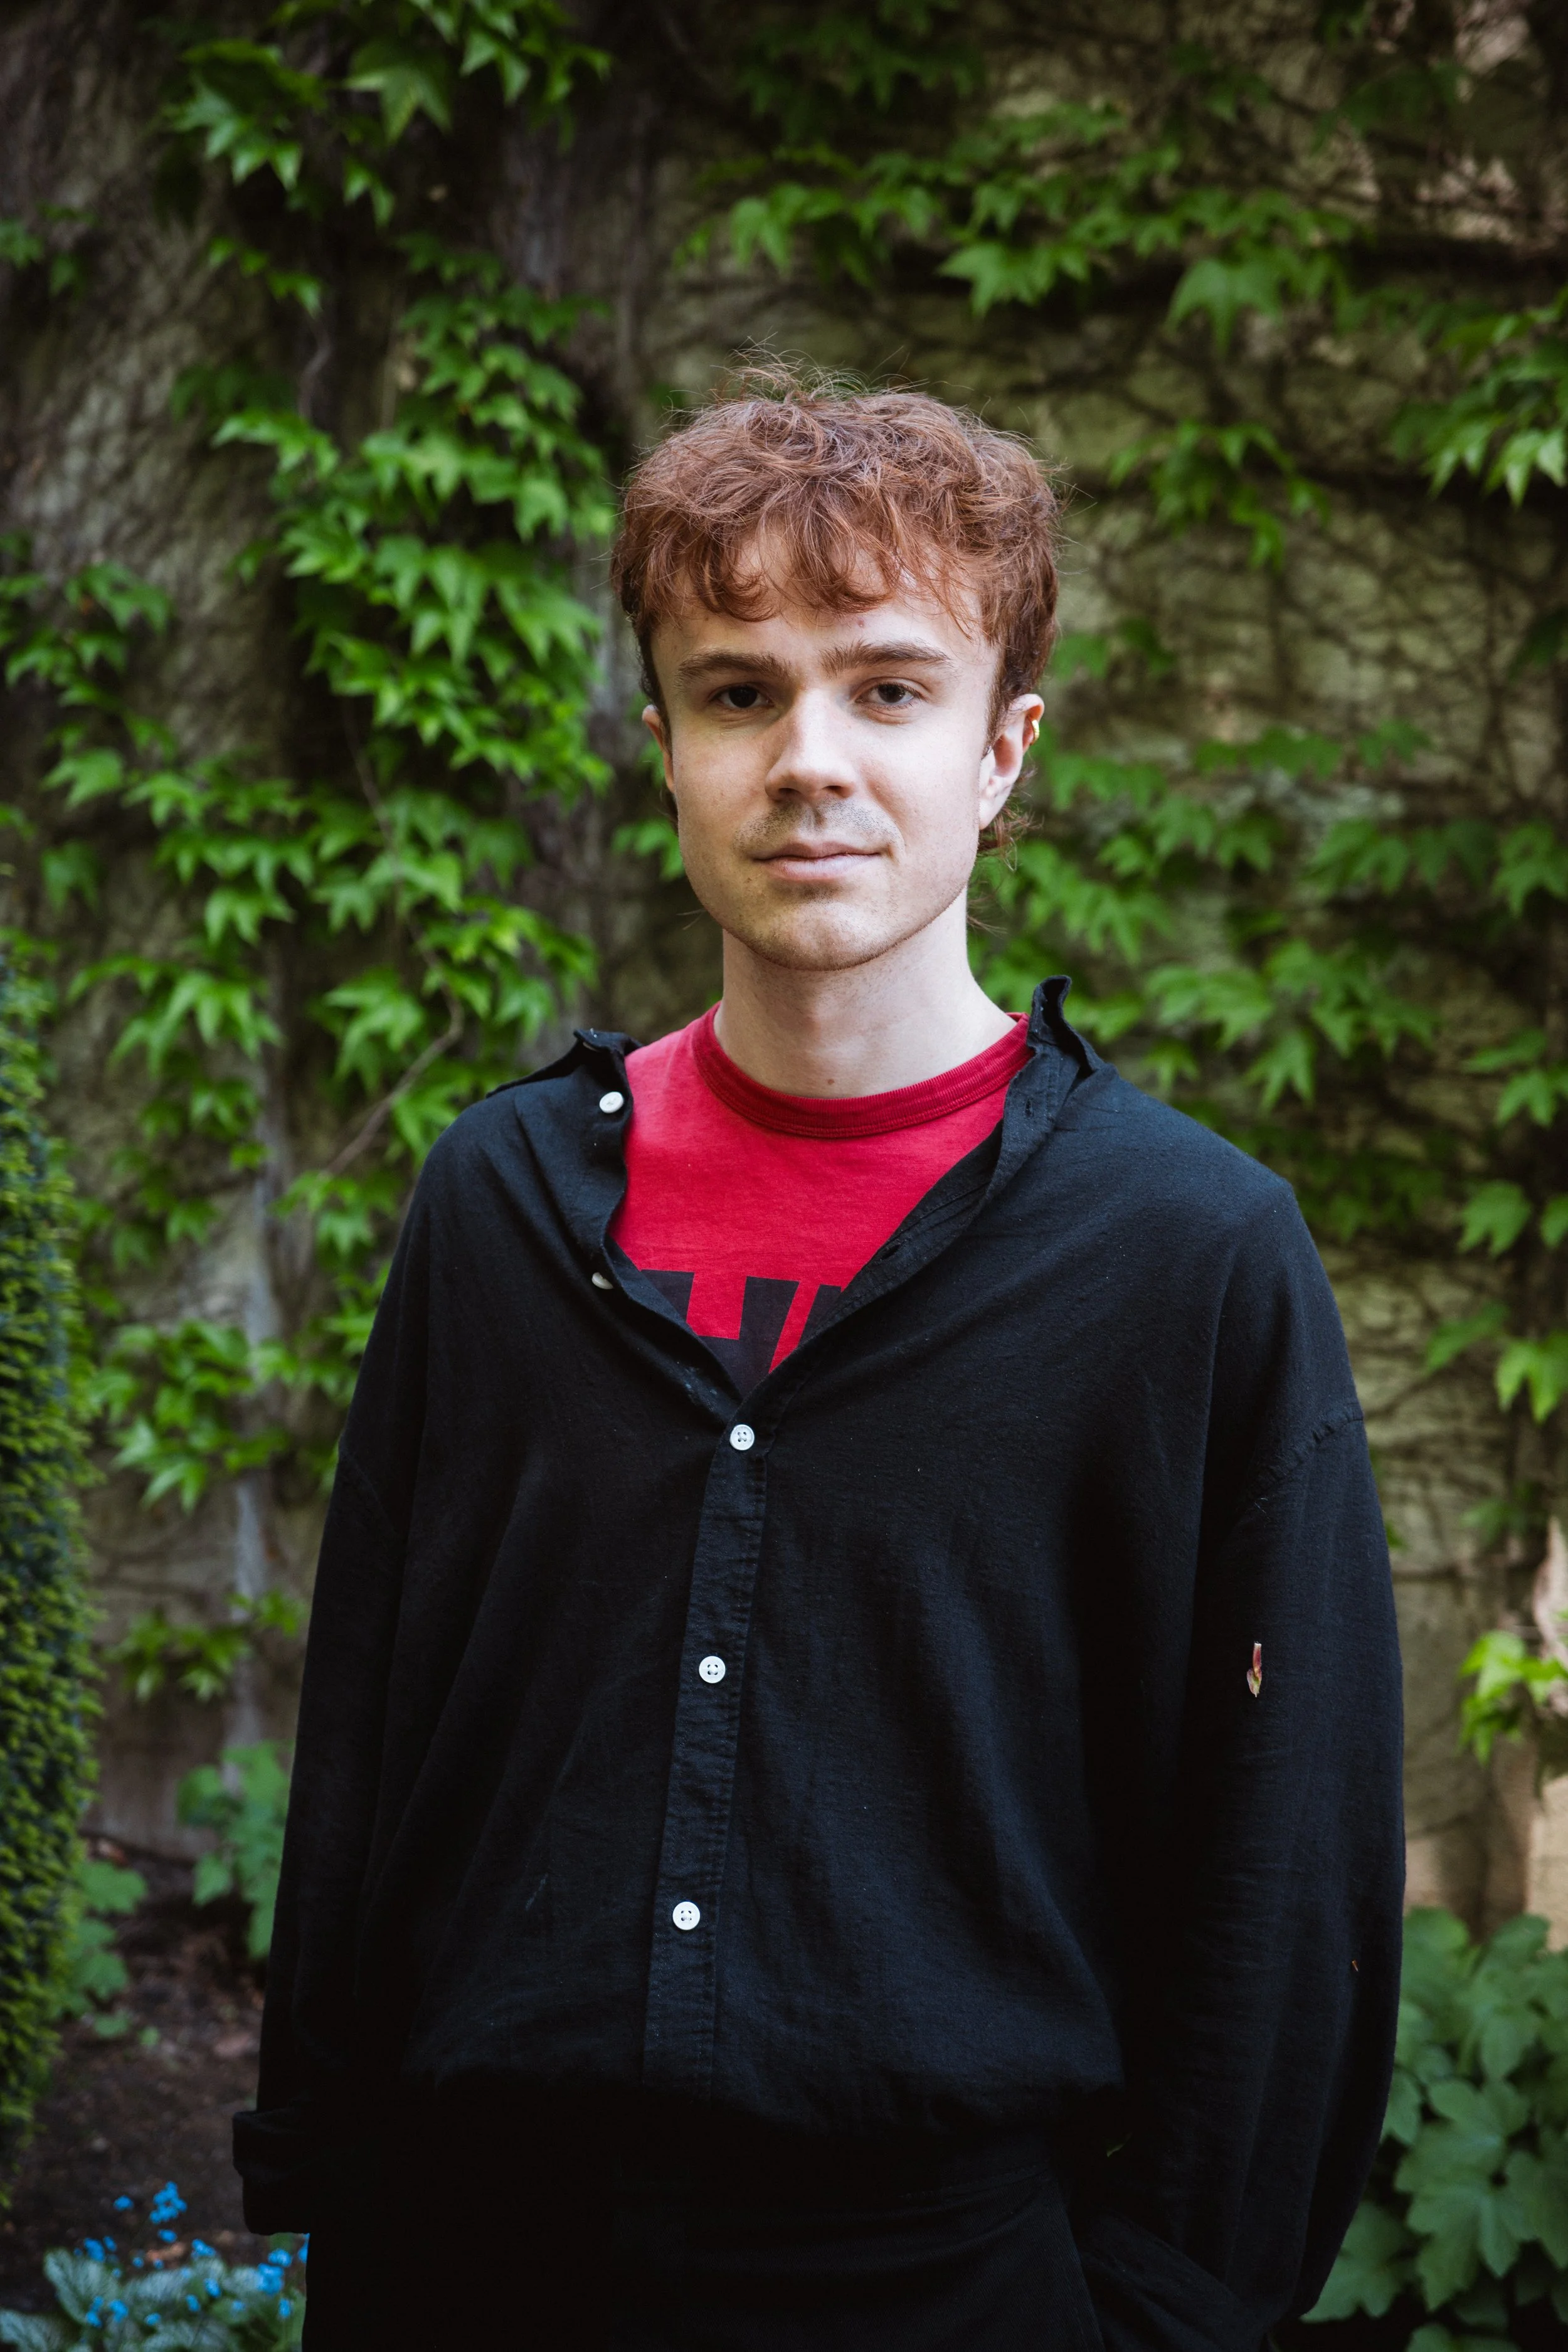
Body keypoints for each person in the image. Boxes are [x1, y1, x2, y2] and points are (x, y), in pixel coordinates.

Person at [235, 369, 1404, 2351]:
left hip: (948, 2278)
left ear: (1002, 749)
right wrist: (335, 2196)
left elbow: (1285, 1848)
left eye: (887, 688)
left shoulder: (1189, 1255)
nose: (808, 759)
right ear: (664, 748)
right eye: (737, 690)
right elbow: (369, 1745)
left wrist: (1160, 2307)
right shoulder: (499, 1206)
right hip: (478, 2257)